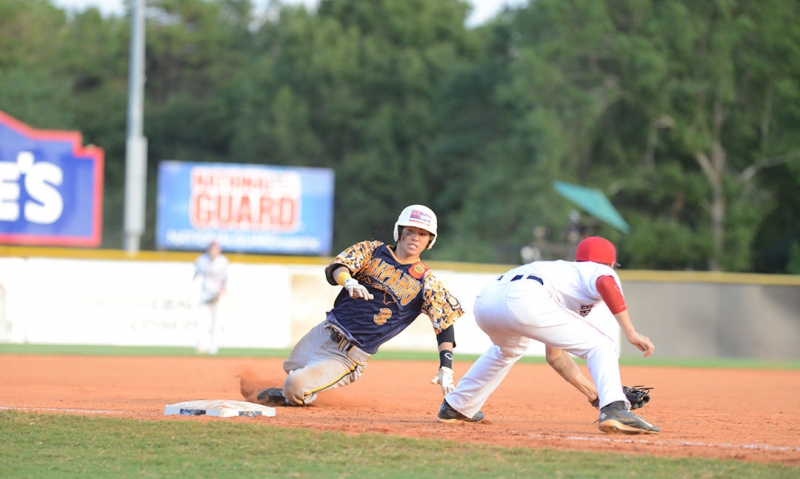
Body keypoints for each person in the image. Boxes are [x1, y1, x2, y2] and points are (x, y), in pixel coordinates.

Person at [436, 236, 660, 434]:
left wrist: (595, 394)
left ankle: (457, 406)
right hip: (525, 297)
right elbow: (606, 282)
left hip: (487, 301)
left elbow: (555, 356)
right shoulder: (599, 270)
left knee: (507, 350)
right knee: (601, 344)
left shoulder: (564, 276)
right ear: (611, 263)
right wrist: (631, 332)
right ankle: (615, 410)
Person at [255, 204, 464, 406]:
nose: (415, 237)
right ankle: (300, 388)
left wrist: (446, 367)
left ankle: (292, 395)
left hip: (349, 354)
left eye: (423, 233)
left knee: (294, 385)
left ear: (430, 240)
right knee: (291, 367)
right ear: (399, 232)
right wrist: (347, 280)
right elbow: (340, 266)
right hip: (326, 331)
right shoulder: (372, 250)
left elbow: (444, 322)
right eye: (410, 231)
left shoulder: (427, 282)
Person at [193, 240, 229, 355]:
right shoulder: (202, 260)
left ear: (219, 250)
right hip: (204, 295)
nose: (213, 251)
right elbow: (196, 276)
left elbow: (226, 279)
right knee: (201, 321)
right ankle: (201, 344)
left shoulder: (223, 261)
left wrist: (222, 291)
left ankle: (213, 346)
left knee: (216, 322)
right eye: (212, 249)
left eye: (215, 249)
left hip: (217, 295)